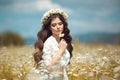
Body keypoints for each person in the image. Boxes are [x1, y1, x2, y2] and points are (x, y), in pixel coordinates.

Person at [31, 9, 73, 80]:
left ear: (63, 25)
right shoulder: (49, 42)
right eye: (54, 25)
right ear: (50, 28)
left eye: (60, 24)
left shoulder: (62, 41)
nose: (58, 27)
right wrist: (60, 50)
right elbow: (48, 67)